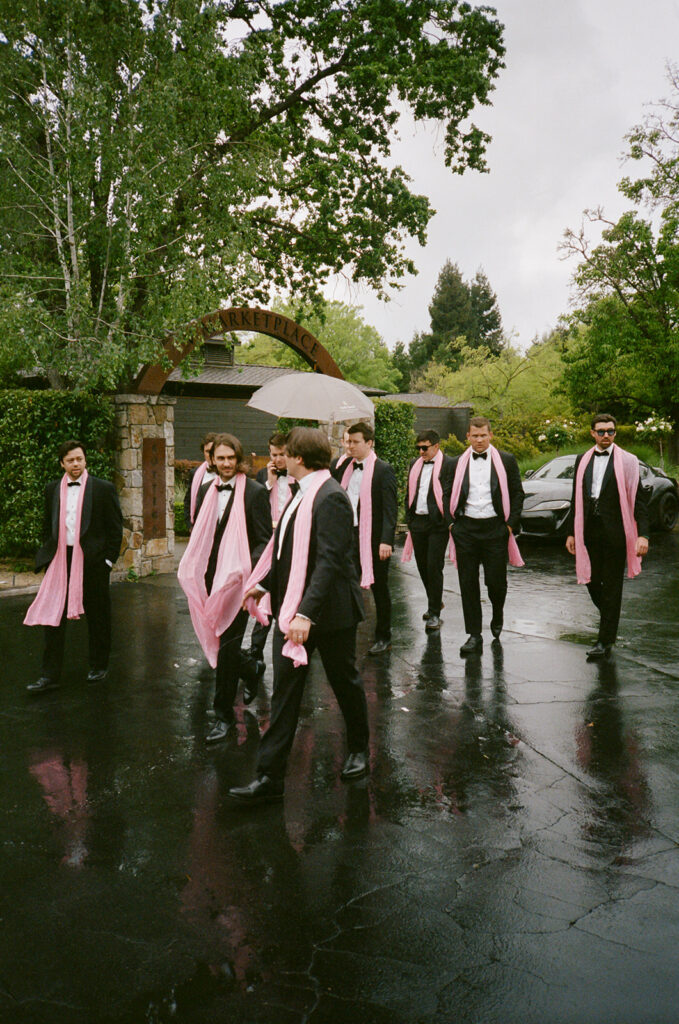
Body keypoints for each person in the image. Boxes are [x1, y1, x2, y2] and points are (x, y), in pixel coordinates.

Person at [229, 427, 370, 805]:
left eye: (285, 453)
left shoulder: (332, 498)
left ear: (300, 458)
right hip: (292, 610)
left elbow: (329, 562)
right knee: (285, 696)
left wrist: (306, 613)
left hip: (330, 615)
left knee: (345, 684)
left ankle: (359, 750)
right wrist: (264, 585)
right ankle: (269, 777)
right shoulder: (298, 494)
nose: (279, 458)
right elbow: (287, 553)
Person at [178, 433, 272, 742]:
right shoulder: (206, 489)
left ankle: (223, 717)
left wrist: (247, 571)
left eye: (231, 458)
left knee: (228, 644)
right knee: (218, 641)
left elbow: (263, 540)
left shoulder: (255, 493)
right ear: (212, 460)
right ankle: (251, 668)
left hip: (238, 581)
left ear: (239, 459)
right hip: (209, 577)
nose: (226, 463)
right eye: (220, 458)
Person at [24, 441, 123, 692]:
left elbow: (115, 529)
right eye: (70, 460)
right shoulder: (51, 489)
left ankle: (99, 666)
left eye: (79, 459)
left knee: (98, 616)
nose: (76, 464)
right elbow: (48, 526)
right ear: (62, 463)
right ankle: (49, 675)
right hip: (60, 561)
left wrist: (107, 561)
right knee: (52, 617)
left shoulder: (102, 489)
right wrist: (48, 555)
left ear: (85, 460)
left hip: (92, 561)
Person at [565, 413, 649, 660]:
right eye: (601, 431)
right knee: (591, 581)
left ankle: (604, 640)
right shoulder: (582, 460)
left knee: (612, 585)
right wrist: (571, 532)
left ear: (615, 433)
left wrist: (643, 534)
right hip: (588, 531)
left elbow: (639, 500)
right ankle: (610, 619)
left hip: (616, 533)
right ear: (592, 433)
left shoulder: (628, 461)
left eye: (610, 431)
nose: (605, 436)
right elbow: (576, 498)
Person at [448, 416, 524, 656]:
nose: (479, 440)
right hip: (466, 529)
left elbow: (517, 494)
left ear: (491, 435)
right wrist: (452, 525)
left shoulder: (507, 460)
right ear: (467, 437)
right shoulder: (456, 463)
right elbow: (445, 493)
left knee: (495, 582)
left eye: (483, 435)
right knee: (467, 582)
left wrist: (509, 526)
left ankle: (498, 612)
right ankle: (474, 634)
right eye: (474, 436)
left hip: (495, 529)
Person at [336, 421, 397, 654]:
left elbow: (390, 509)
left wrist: (386, 540)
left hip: (372, 537)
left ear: (369, 443)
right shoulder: (341, 467)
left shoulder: (383, 469)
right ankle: (347, 634)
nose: (349, 446)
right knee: (346, 585)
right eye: (347, 441)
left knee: (379, 588)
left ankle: (384, 636)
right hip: (346, 536)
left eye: (355, 442)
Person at [401, 429, 455, 632]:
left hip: (437, 523)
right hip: (418, 522)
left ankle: (434, 613)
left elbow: (452, 492)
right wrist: (409, 516)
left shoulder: (449, 464)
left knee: (434, 566)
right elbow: (410, 492)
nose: (421, 452)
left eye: (425, 448)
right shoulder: (414, 465)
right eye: (419, 448)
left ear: (436, 446)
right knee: (423, 566)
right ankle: (436, 601)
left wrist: (448, 518)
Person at [183, 433, 217, 532]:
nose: (211, 455)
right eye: (207, 451)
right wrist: (190, 525)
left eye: (213, 451)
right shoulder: (195, 473)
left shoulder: (228, 473)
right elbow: (188, 500)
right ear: (203, 452)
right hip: (200, 528)